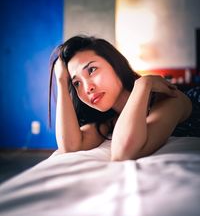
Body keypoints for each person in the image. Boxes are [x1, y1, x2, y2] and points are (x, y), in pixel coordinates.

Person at [49, 35, 192, 161]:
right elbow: (71, 147)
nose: (87, 88)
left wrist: (143, 84)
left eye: (92, 70)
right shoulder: (109, 120)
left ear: (115, 65)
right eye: (76, 83)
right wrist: (61, 81)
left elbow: (123, 153)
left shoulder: (168, 99)